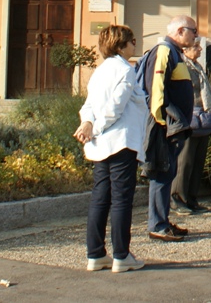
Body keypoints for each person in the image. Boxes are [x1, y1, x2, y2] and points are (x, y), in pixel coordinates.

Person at [74, 25, 149, 273]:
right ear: (120, 46)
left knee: (100, 198)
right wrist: (93, 127)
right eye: (132, 41)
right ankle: (121, 255)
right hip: (120, 142)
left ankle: (95, 254)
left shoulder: (99, 72)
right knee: (120, 200)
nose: (135, 45)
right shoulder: (125, 71)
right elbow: (115, 108)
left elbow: (89, 105)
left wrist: (87, 123)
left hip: (100, 145)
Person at [136, 15, 197, 242]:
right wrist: (164, 123)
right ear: (180, 31)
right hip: (164, 126)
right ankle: (158, 225)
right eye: (193, 30)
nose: (196, 35)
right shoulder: (164, 51)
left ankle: (162, 220)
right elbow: (156, 90)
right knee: (162, 172)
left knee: (167, 172)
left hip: (171, 127)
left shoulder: (174, 52)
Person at [172, 39, 211, 215]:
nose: (199, 50)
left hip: (203, 119)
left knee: (198, 161)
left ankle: (191, 198)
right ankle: (177, 199)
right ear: (186, 49)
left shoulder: (197, 66)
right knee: (185, 161)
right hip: (189, 118)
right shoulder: (183, 67)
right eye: (196, 47)